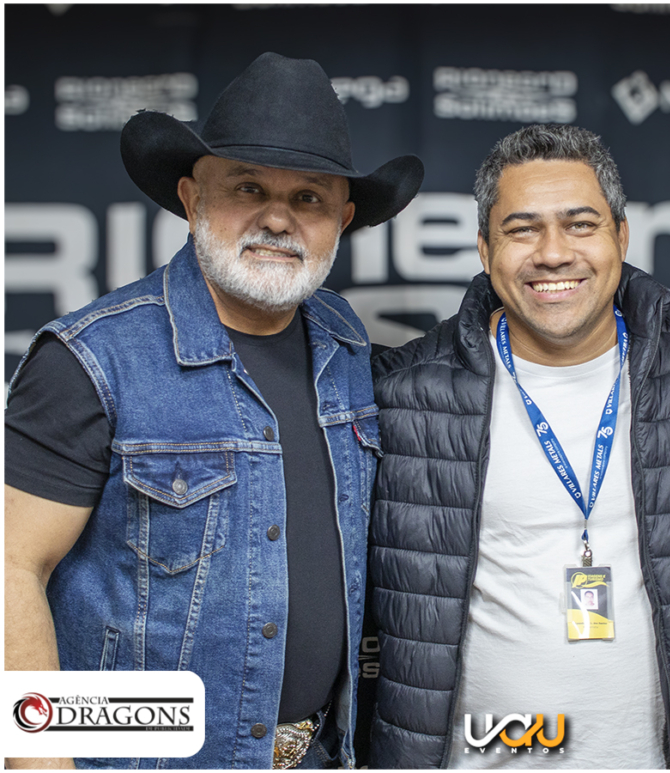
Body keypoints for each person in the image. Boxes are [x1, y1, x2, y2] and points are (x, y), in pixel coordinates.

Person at [4, 52, 423, 769]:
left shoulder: (346, 342)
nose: (277, 218)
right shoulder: (93, 357)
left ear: (343, 220)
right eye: (248, 187)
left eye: (309, 198)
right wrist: (41, 762)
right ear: (193, 198)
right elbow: (11, 566)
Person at [367, 124, 670, 768]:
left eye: (580, 225)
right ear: (484, 248)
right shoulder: (409, 392)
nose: (553, 253)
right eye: (522, 230)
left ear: (621, 235)